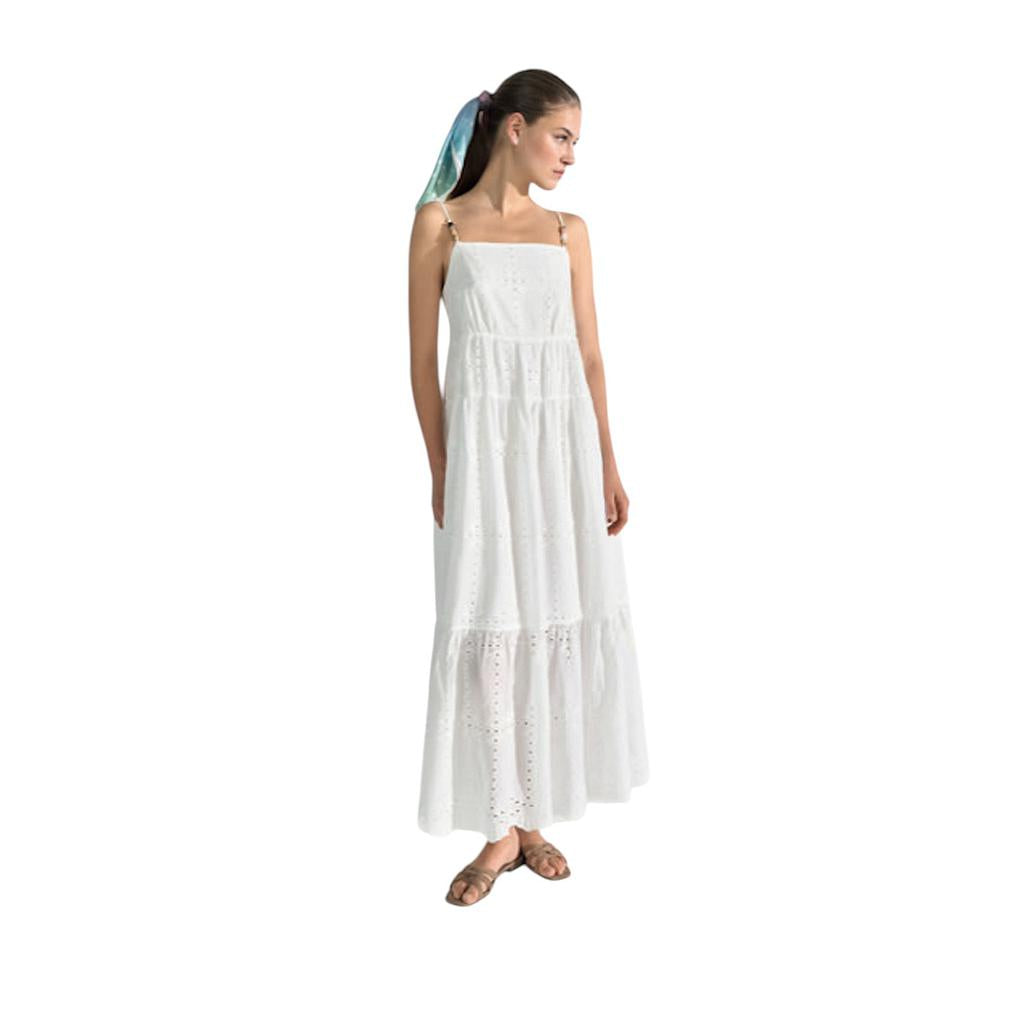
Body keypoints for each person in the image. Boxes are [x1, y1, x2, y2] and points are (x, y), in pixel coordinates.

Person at [408, 69, 649, 907]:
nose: (571, 156)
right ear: (515, 128)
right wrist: (442, 468)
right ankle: (498, 828)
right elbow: (422, 364)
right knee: (489, 628)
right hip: (483, 457)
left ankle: (534, 819)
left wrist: (608, 463)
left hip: (562, 454)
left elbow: (590, 355)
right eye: (562, 137)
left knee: (552, 617)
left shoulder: (567, 232)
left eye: (575, 141)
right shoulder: (439, 223)